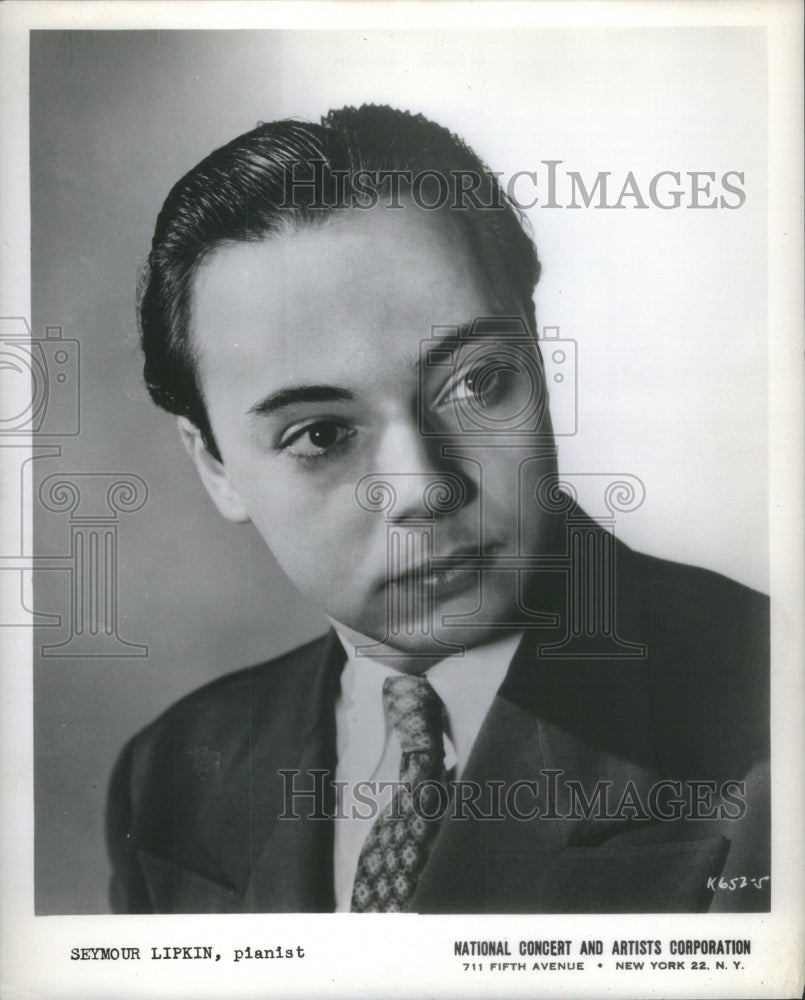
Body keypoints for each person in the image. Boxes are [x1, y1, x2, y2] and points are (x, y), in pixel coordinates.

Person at [106, 105, 769, 914]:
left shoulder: (773, 722)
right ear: (214, 465)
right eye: (320, 434)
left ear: (537, 351)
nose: (422, 484)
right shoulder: (169, 773)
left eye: (479, 384)